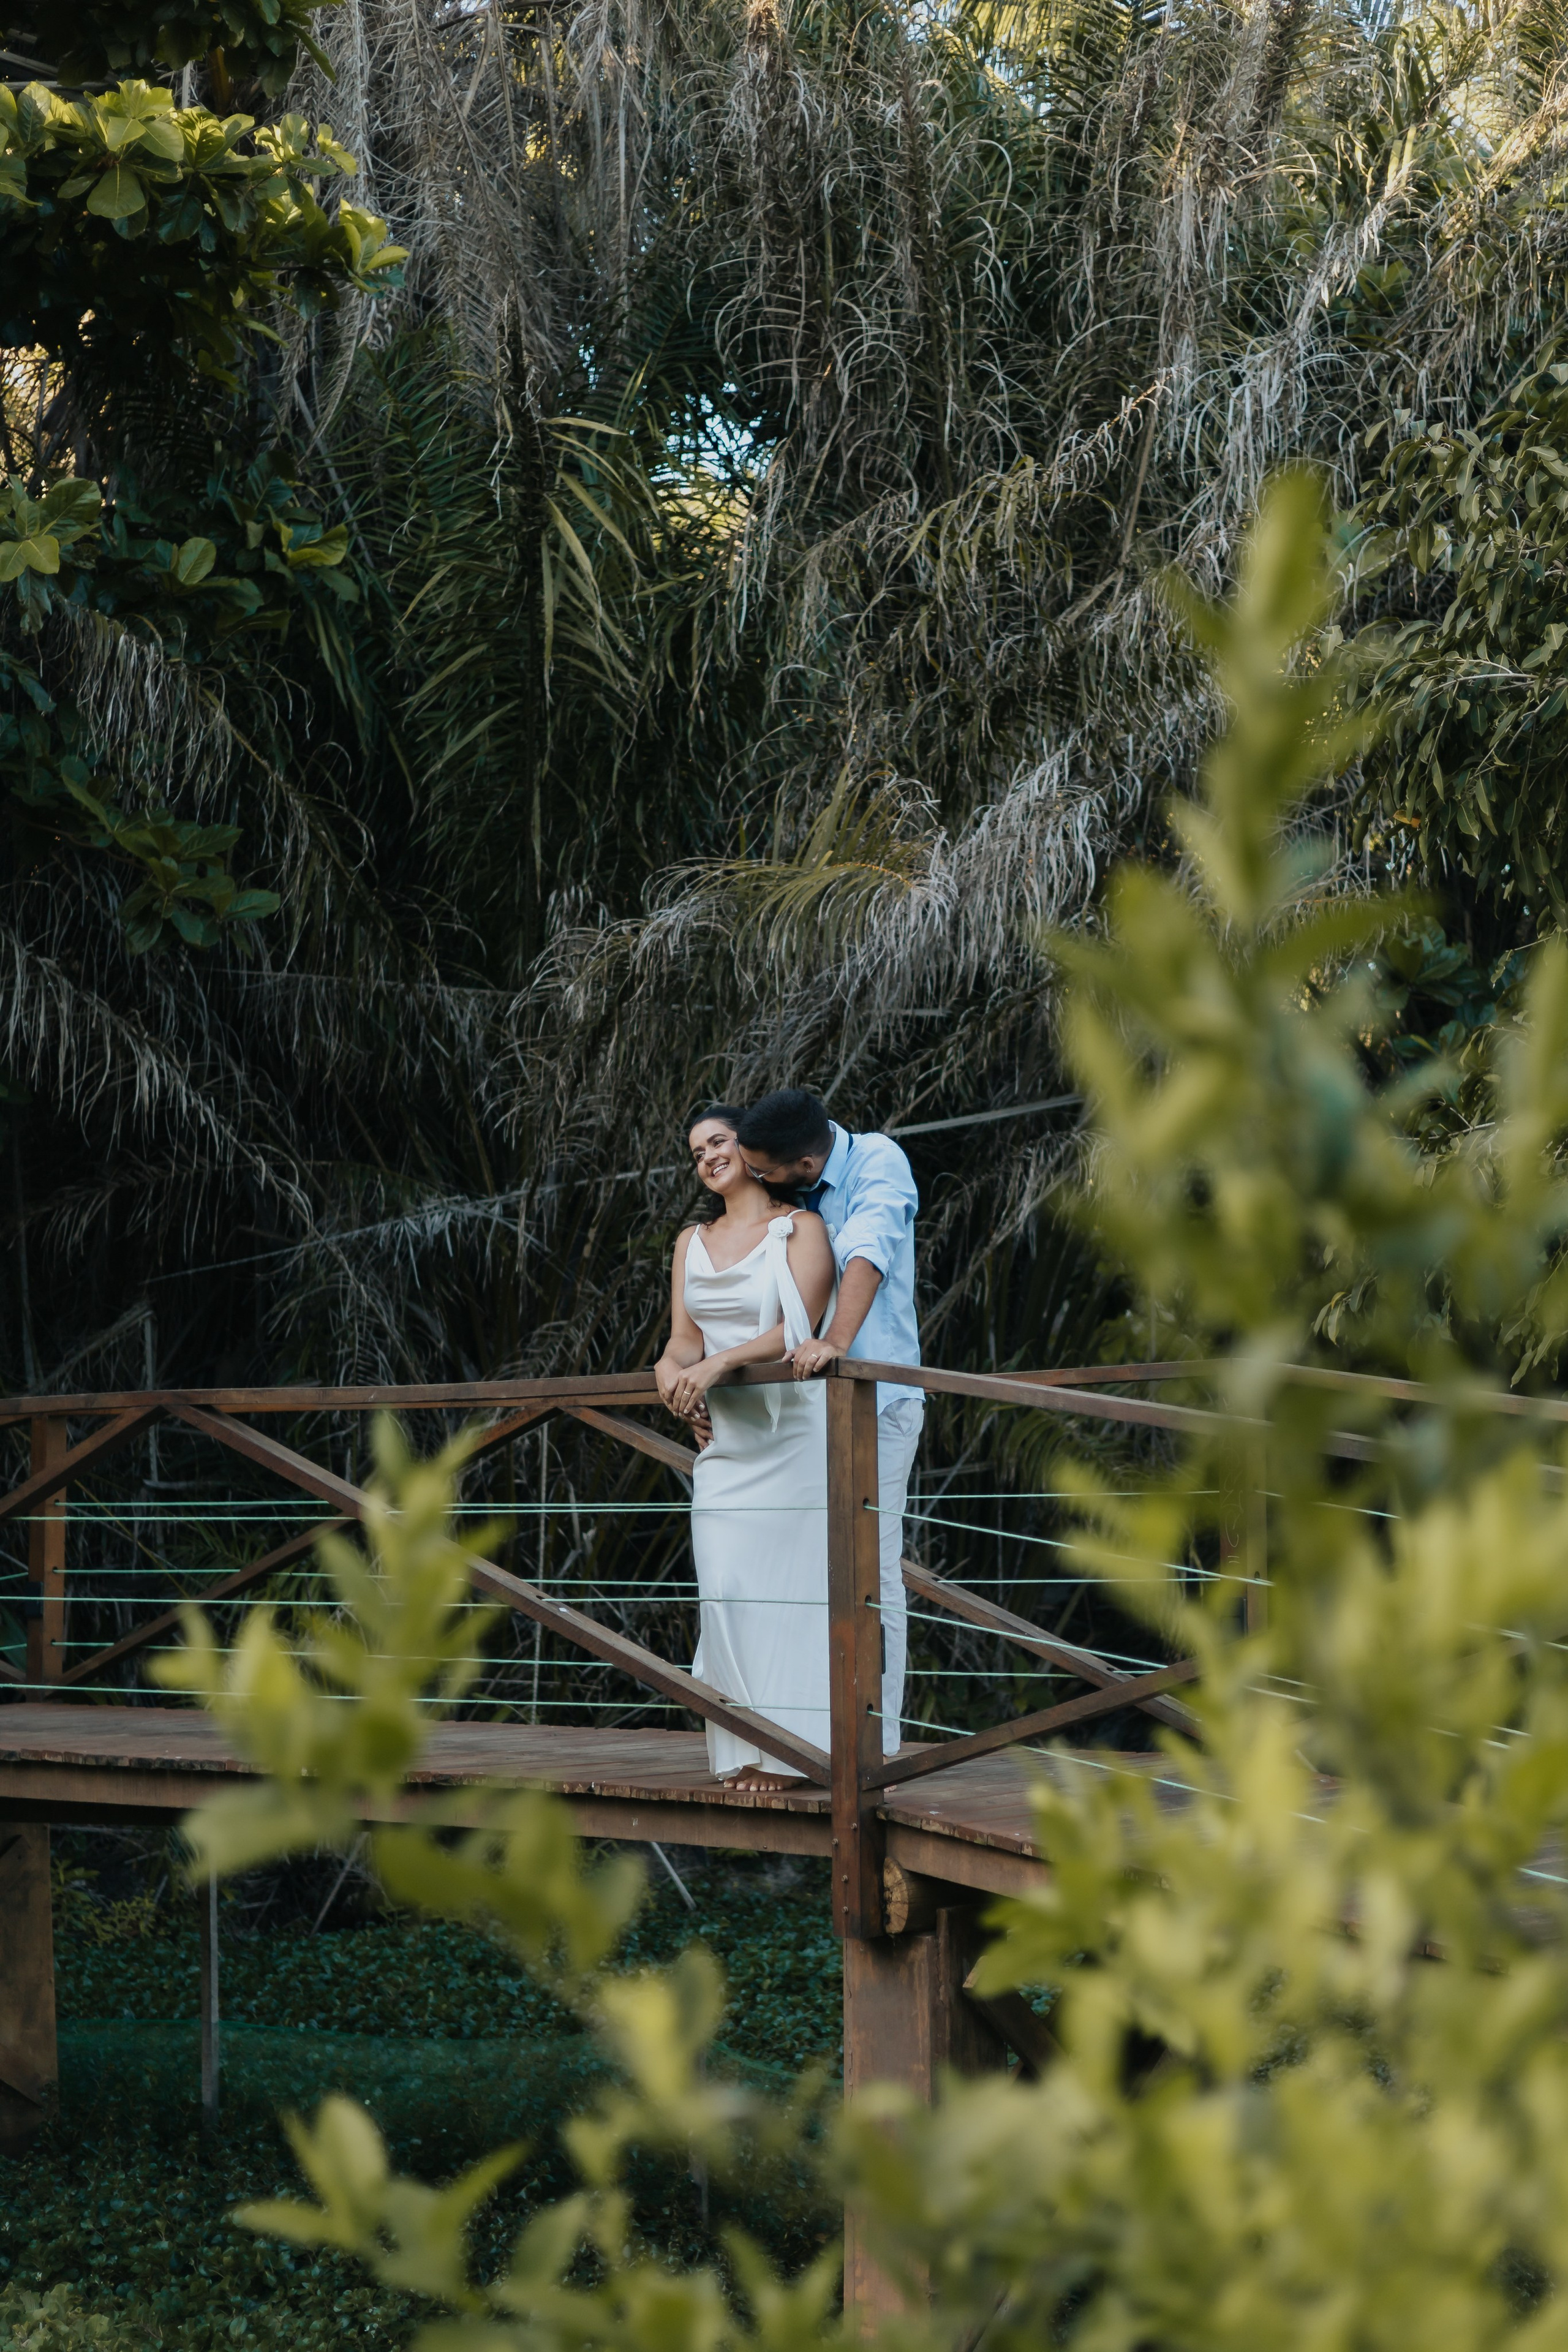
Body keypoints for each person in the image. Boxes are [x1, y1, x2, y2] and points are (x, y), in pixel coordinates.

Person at [733, 1088, 921, 1758]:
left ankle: (878, 1743)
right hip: (793, 1415)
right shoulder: (786, 1195)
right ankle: (807, 1731)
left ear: (807, 1165)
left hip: (878, 1406)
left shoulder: (877, 1161)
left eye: (765, 1172)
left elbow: (866, 1254)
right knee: (797, 1568)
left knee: (873, 1571)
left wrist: (836, 1342)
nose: (755, 1179)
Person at [654, 1104, 837, 1790]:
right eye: (696, 1151)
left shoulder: (801, 1228)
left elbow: (800, 1328)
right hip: (726, 1445)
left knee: (789, 1596)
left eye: (718, 1141)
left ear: (748, 1149)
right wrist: (671, 1375)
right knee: (727, 1589)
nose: (707, 1156)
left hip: (791, 1433)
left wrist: (716, 1365)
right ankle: (744, 1748)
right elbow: (681, 1340)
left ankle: (793, 1755)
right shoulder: (688, 1243)